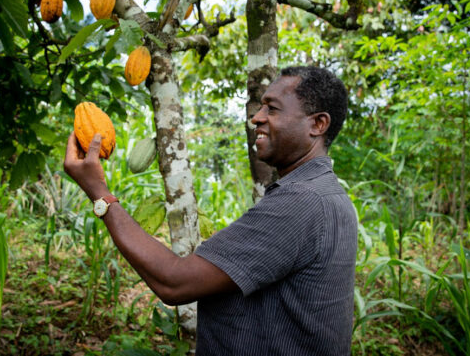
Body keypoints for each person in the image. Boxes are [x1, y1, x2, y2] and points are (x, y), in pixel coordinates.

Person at [64, 65, 357, 356]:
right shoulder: (328, 194)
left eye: (273, 109)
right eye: (260, 107)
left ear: (317, 124)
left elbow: (174, 282)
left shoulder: (300, 202)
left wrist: (100, 195)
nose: (257, 117)